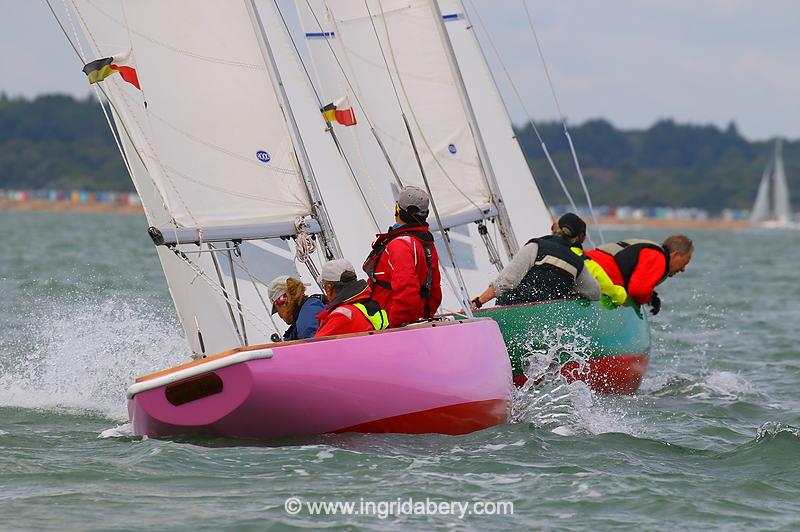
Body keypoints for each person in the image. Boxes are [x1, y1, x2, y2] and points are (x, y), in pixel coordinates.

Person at [470, 213, 600, 309]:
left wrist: (478, 302)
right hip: (548, 316)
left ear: (553, 227)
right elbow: (595, 293)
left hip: (513, 309)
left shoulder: (536, 247)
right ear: (580, 239)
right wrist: (572, 294)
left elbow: (506, 282)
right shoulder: (578, 264)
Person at [363, 185, 442, 327]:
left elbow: (407, 293)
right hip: (416, 320)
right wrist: (424, 317)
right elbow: (435, 290)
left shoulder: (400, 245)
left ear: (397, 210)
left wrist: (396, 326)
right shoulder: (426, 242)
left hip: (392, 324)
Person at [584, 235, 694, 315]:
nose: (683, 269)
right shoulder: (658, 257)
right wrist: (649, 298)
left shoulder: (652, 252)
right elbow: (638, 290)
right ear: (675, 255)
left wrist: (650, 296)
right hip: (590, 271)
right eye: (684, 263)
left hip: (583, 263)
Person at [315, 259, 388, 337]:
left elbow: (315, 347)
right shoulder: (364, 306)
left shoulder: (342, 315)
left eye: (324, 286)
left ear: (329, 289)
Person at [268, 275, 326, 341]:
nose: (279, 315)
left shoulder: (306, 319)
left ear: (284, 301)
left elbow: (315, 348)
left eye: (277, 309)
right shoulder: (314, 306)